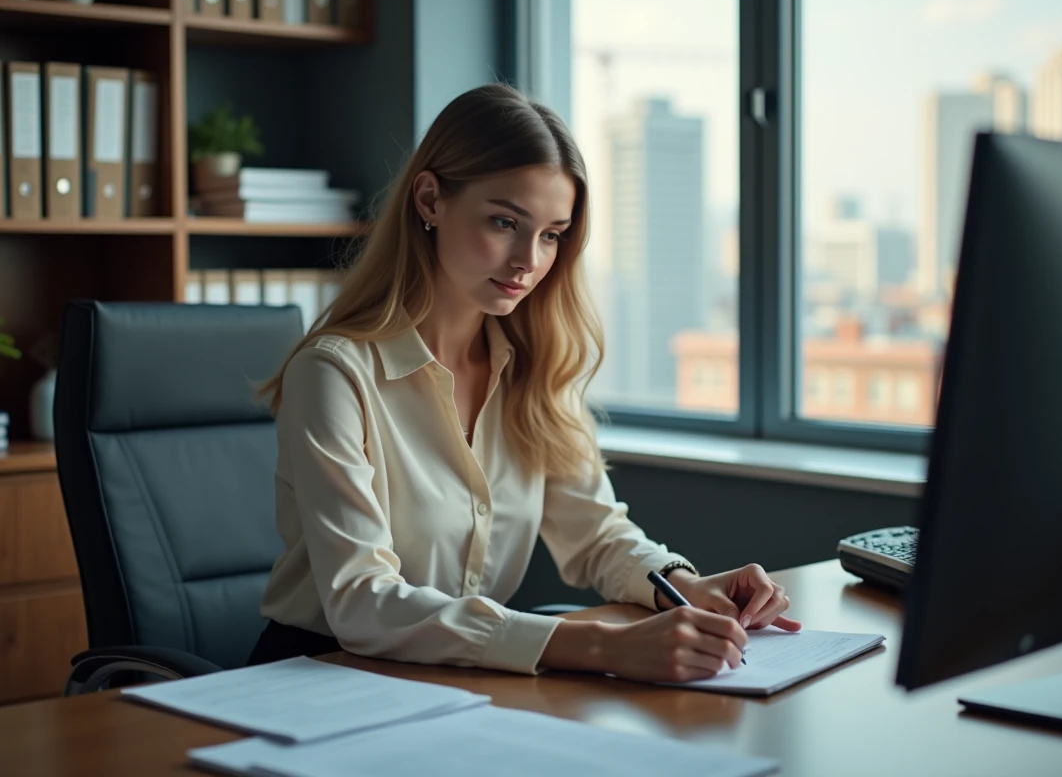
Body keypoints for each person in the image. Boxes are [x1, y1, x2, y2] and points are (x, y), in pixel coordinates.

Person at [248, 83, 801, 683]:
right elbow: (361, 601)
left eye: (551, 234)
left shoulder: (535, 369)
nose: (528, 260)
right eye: (505, 222)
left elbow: (594, 534)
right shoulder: (334, 374)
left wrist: (683, 585)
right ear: (430, 200)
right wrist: (602, 647)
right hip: (320, 677)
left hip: (456, 677)